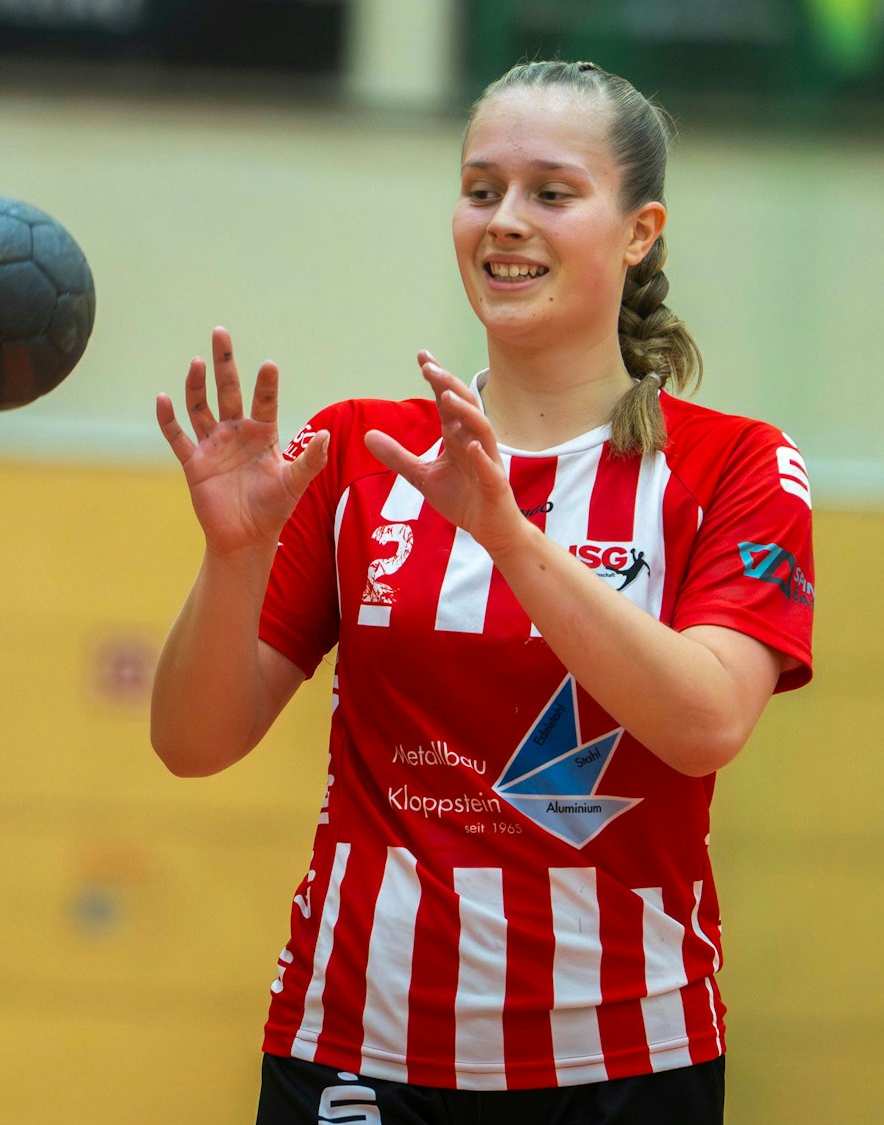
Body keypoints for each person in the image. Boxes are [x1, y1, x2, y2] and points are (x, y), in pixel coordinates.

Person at [150, 61, 813, 1124]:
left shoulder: (732, 467)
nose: (503, 221)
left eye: (549, 193)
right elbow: (190, 740)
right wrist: (231, 558)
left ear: (638, 230)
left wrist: (503, 534)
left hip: (624, 1056)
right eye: (478, 189)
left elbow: (704, 721)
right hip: (355, 1046)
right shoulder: (366, 451)